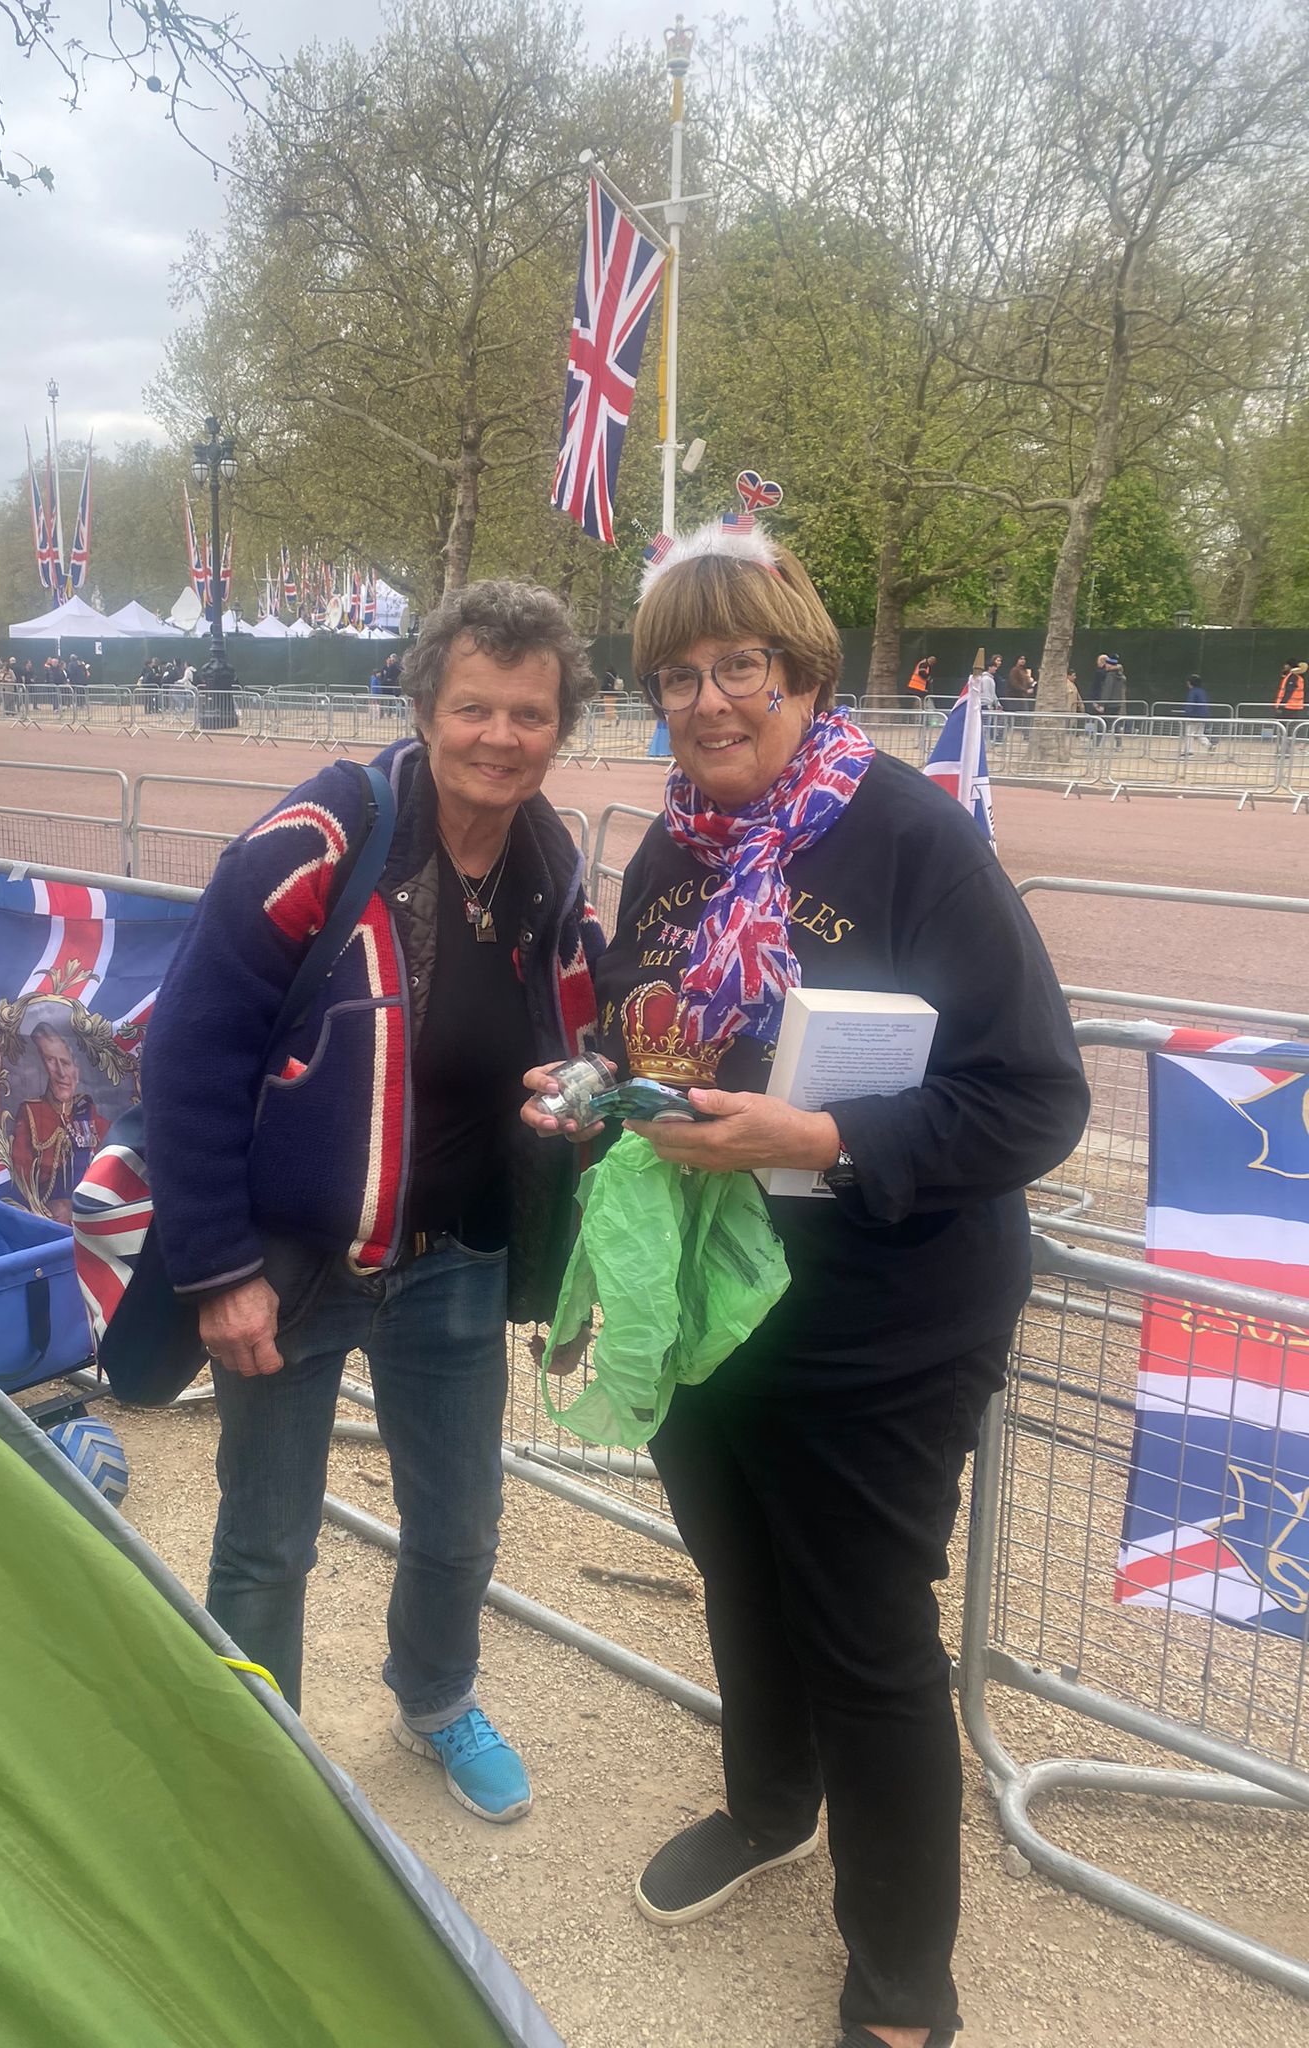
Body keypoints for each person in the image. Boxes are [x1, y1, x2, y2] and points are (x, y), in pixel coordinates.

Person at [524, 521, 1088, 2048]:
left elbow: (1037, 1100)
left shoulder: (908, 836)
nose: (709, 701)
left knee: (867, 1635)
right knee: (742, 1582)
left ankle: (906, 1984)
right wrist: (593, 1088)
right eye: (679, 676)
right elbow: (665, 1045)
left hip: (883, 1322)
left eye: (740, 668)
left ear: (803, 672)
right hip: (709, 1310)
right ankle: (770, 1805)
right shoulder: (673, 844)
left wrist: (826, 1135)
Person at [141, 579, 603, 1823]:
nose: (501, 735)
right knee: (267, 1535)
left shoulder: (551, 858)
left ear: (561, 725)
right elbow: (185, 1053)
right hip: (291, 1261)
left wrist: (583, 1085)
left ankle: (437, 1693)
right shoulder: (325, 833)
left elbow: (580, 1023)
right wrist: (217, 1267)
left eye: (530, 712)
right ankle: (259, 1756)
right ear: (424, 705)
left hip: (451, 1256)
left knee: (459, 1520)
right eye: (474, 707)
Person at [9, 1022, 110, 1225]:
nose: (61, 1073)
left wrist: (74, 1208)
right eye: (51, 1061)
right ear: (41, 1068)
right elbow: (17, 1185)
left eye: (65, 1062)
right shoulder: (30, 1114)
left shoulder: (92, 1117)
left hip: (88, 1225)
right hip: (42, 1226)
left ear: (77, 1070)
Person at [1181, 674, 1214, 754]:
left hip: (1194, 716)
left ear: (1190, 683)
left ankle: (1188, 752)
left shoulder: (1193, 692)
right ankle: (1209, 746)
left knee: (1189, 733)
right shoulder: (1202, 691)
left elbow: (1190, 703)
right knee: (1199, 734)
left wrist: (1187, 714)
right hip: (1204, 716)